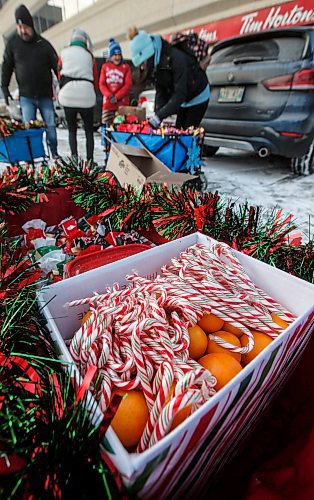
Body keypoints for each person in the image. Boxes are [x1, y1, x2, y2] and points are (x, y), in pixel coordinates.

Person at [1, 4, 59, 158]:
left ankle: (54, 152)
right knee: (30, 129)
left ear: (31, 25)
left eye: (25, 27)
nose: (22, 31)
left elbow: (56, 66)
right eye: (19, 27)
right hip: (26, 96)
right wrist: (4, 88)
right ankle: (32, 156)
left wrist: (62, 86)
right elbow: (6, 67)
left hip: (45, 95)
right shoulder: (13, 44)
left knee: (51, 126)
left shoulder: (44, 44)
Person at [128, 27, 210, 130]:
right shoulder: (157, 63)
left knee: (187, 134)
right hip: (184, 98)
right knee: (179, 131)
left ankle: (193, 145)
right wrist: (157, 115)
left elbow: (180, 94)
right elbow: (160, 92)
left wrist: (160, 116)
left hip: (198, 95)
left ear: (148, 54)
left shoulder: (175, 59)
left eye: (142, 63)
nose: (142, 67)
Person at [58, 28, 98, 162]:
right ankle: (90, 161)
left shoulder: (64, 53)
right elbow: (95, 78)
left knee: (72, 130)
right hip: (86, 95)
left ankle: (74, 160)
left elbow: (60, 74)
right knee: (89, 131)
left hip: (68, 95)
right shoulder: (89, 56)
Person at [99, 38, 132, 125]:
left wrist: (116, 97)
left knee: (121, 127)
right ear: (110, 56)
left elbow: (127, 85)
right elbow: (102, 84)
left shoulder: (126, 67)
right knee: (106, 127)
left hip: (122, 104)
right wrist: (110, 96)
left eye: (119, 54)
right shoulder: (105, 67)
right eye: (114, 55)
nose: (117, 57)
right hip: (108, 104)